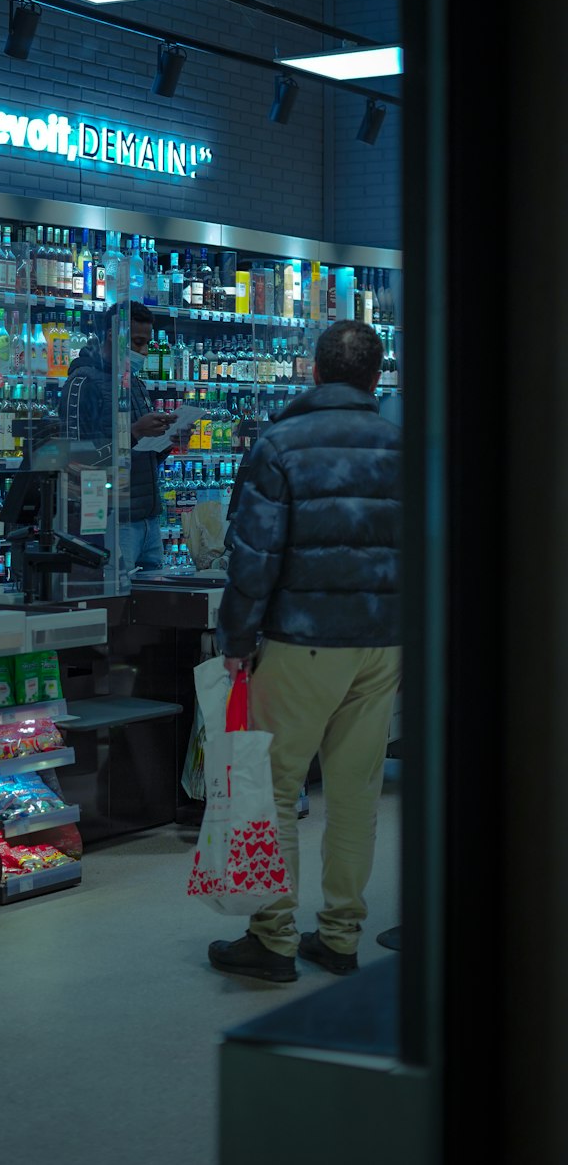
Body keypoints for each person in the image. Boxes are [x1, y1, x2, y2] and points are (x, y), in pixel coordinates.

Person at [207, 319, 402, 983]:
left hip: (301, 641)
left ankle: (275, 935)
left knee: (276, 786)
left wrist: (236, 639)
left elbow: (252, 556)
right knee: (355, 793)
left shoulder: (280, 443)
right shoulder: (404, 446)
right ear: (376, 378)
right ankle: (342, 935)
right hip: (380, 645)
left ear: (313, 372)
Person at [59, 300, 173, 573]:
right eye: (136, 342)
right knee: (119, 608)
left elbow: (145, 456)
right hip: (112, 520)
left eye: (146, 343)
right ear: (113, 335)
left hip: (148, 519)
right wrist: (135, 432)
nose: (143, 352)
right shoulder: (83, 383)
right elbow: (76, 462)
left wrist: (170, 439)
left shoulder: (134, 383)